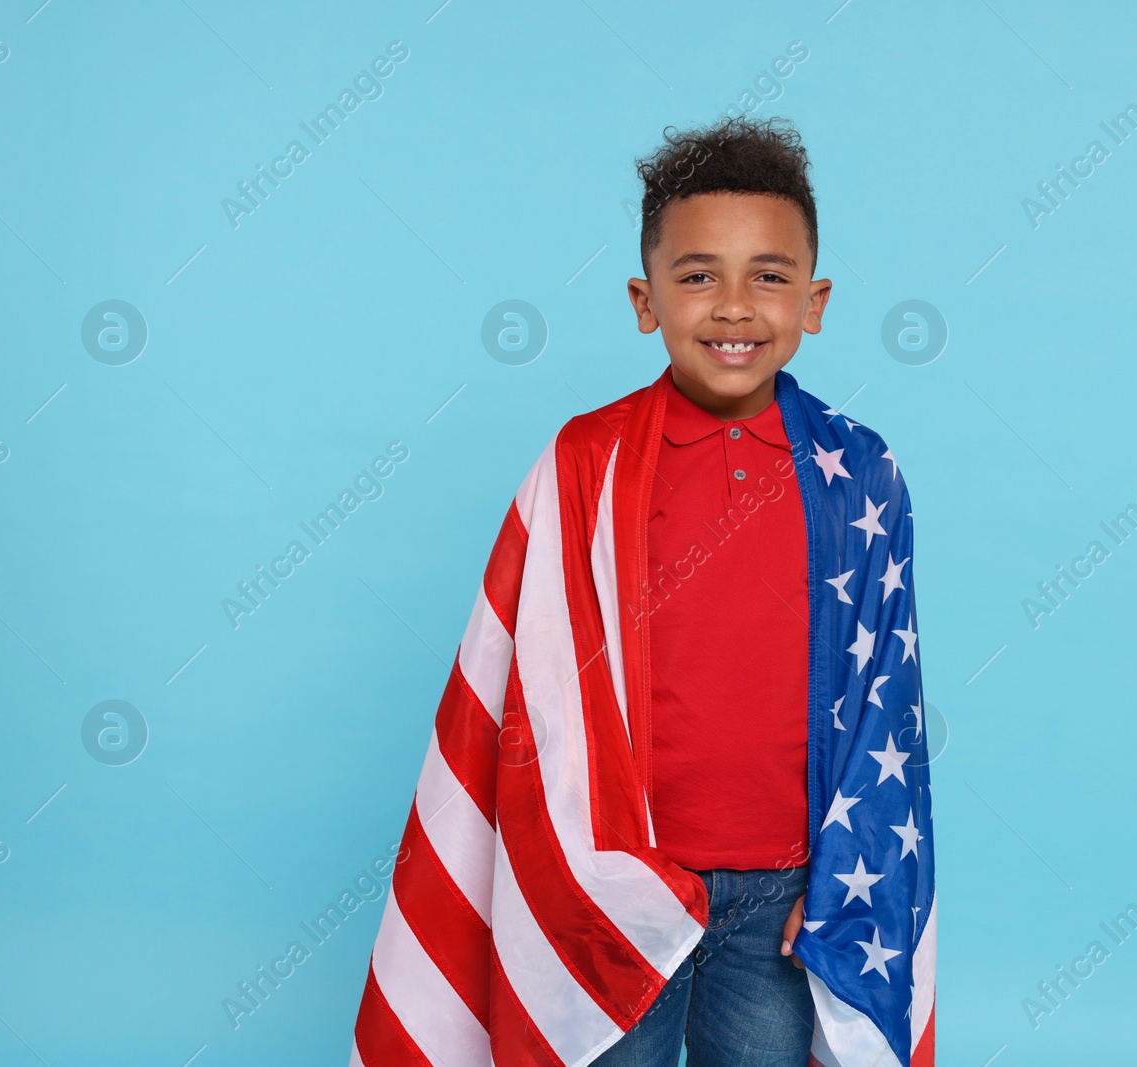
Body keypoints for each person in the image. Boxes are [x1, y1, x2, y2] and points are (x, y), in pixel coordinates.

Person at [350, 116, 936, 1067]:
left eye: (771, 276)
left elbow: (885, 709)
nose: (735, 306)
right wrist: (598, 875)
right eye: (698, 274)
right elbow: (528, 683)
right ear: (644, 299)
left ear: (816, 301)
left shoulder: (860, 473)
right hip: (616, 889)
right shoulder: (586, 463)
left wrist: (839, 886)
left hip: (785, 895)